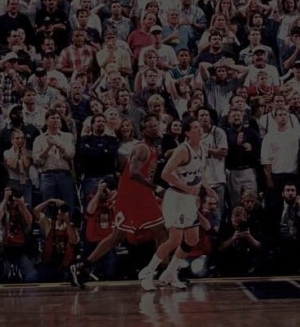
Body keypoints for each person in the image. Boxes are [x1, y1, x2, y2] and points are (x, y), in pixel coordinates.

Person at [70, 115, 167, 287]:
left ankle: (83, 267)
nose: (156, 128)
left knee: (160, 234)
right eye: (151, 126)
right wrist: (156, 188)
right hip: (132, 198)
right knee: (123, 237)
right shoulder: (142, 148)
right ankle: (160, 272)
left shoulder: (153, 148)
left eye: (156, 125)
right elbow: (133, 173)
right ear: (143, 131)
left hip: (142, 197)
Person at [138, 117, 216, 290]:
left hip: (189, 200)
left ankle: (170, 273)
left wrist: (207, 188)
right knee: (174, 240)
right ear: (187, 133)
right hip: (176, 198)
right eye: (195, 127)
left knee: (193, 239)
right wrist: (186, 188)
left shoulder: (202, 148)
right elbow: (165, 174)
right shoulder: (182, 150)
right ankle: (147, 272)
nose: (199, 129)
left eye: (200, 127)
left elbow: (200, 172)